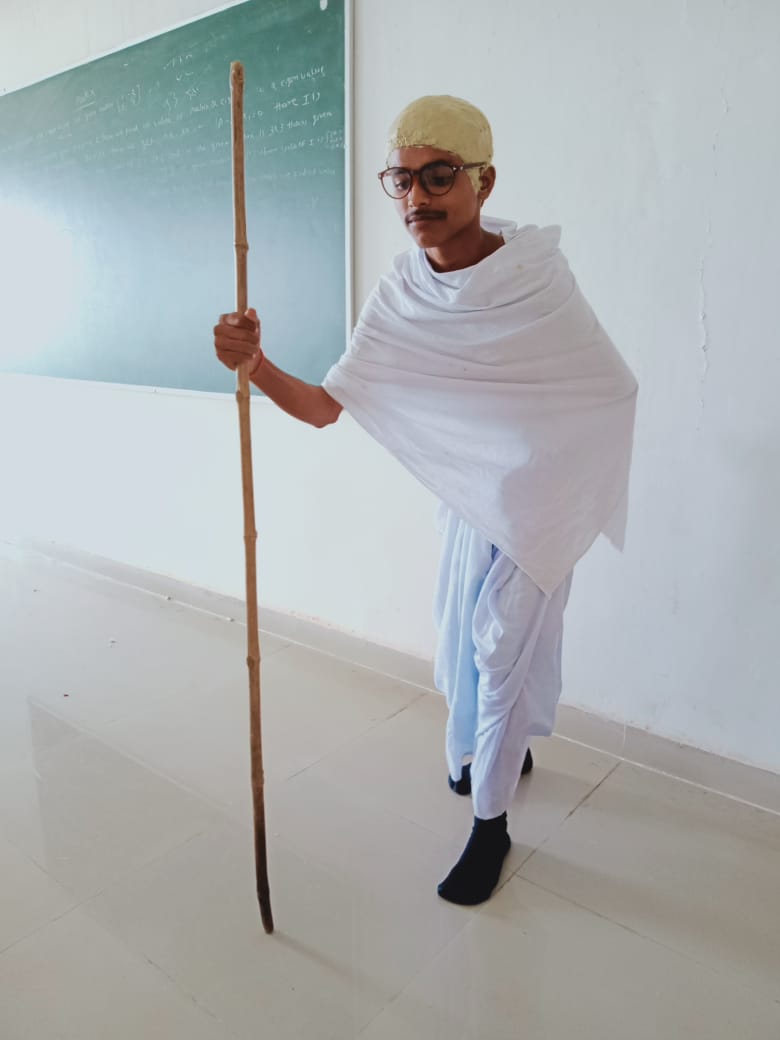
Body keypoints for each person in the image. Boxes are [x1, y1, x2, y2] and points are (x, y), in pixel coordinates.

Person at [214, 95, 638, 906]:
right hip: (472, 499)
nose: (417, 196)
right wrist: (255, 364)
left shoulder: (535, 277)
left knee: (500, 647)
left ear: (484, 181)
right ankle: (504, 749)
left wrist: (565, 477)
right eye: (401, 179)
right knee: (464, 650)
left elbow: (608, 386)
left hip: (542, 500)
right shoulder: (404, 293)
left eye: (438, 175)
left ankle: (491, 824)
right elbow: (325, 407)